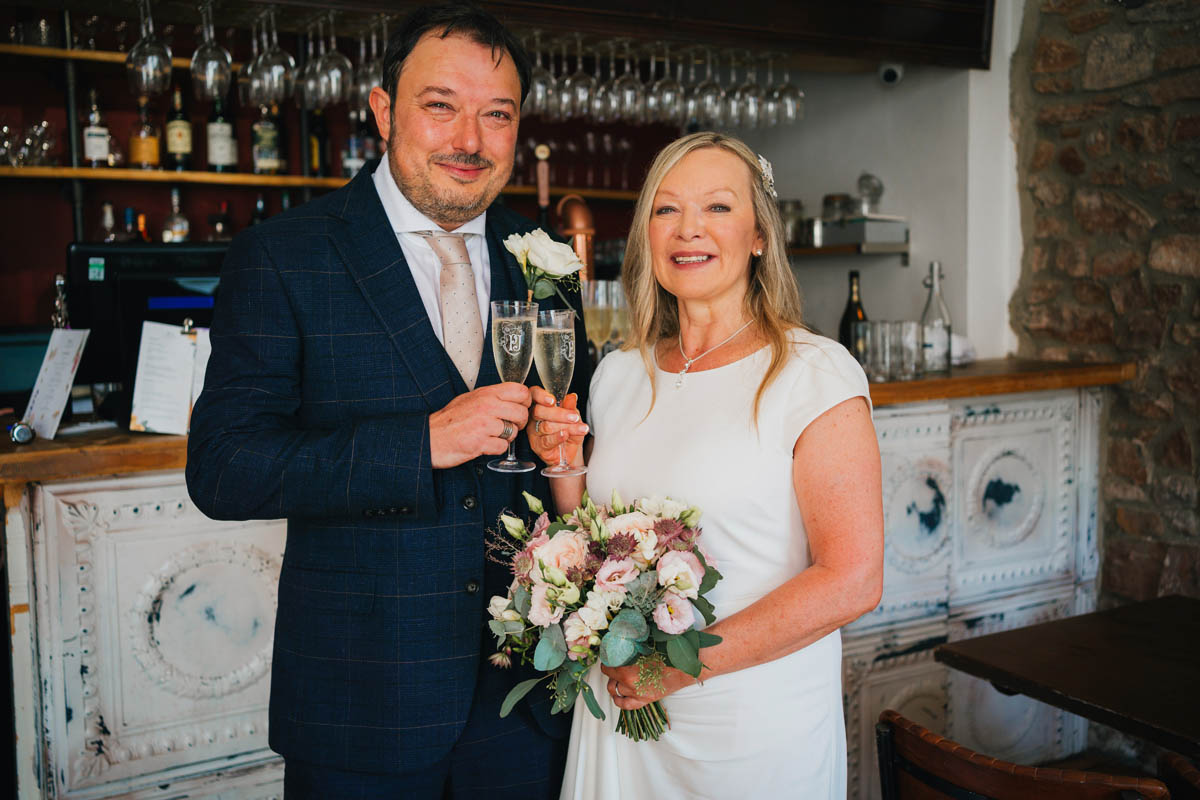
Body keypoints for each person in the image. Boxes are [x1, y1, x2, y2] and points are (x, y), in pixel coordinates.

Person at [186, 4, 590, 797]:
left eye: (497, 114)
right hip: (360, 709)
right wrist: (420, 443)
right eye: (440, 106)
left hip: (526, 706)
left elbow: (576, 445)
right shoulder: (284, 256)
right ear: (383, 111)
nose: (470, 140)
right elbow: (225, 468)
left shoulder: (544, 262)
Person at [527, 132, 884, 798]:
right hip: (622, 720)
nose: (688, 229)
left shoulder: (814, 374)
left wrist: (674, 670)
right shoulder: (619, 373)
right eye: (666, 209)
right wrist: (566, 467)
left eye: (717, 207)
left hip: (749, 731)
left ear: (759, 235)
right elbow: (596, 548)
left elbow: (852, 580)